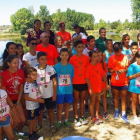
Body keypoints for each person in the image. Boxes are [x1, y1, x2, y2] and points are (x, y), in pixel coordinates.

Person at [1, 55, 28, 137]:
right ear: (8, 63)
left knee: (23, 120)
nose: (17, 65)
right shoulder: (3, 74)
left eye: (18, 63)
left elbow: (21, 87)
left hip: (17, 100)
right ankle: (7, 135)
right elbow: (4, 93)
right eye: (14, 63)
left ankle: (18, 131)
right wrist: (12, 106)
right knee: (15, 121)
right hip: (7, 101)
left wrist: (18, 101)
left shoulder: (20, 72)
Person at [35, 52, 57, 134]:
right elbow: (33, 83)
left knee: (50, 110)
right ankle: (39, 124)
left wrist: (54, 94)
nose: (44, 61)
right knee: (40, 110)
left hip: (49, 94)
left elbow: (55, 82)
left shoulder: (50, 69)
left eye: (45, 59)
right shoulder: (35, 70)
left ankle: (52, 124)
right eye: (42, 59)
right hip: (40, 95)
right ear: (37, 60)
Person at [108, 42, 130, 123]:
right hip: (115, 81)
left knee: (123, 98)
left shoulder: (125, 57)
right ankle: (116, 111)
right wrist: (115, 71)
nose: (117, 53)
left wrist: (123, 70)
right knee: (116, 97)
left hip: (124, 81)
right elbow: (109, 69)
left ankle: (124, 114)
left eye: (118, 51)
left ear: (121, 49)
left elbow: (127, 68)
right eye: (115, 51)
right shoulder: (111, 58)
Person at [85, 50, 108, 124]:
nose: (96, 58)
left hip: (99, 87)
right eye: (94, 56)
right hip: (93, 88)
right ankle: (92, 117)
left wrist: (107, 84)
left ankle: (97, 114)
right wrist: (90, 88)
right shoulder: (88, 67)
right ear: (90, 57)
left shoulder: (99, 65)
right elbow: (87, 78)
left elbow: (103, 75)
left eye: (97, 56)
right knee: (92, 102)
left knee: (98, 100)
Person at [69, 40, 89, 127]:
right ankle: (76, 117)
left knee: (82, 100)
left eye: (82, 47)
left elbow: (88, 70)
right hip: (75, 82)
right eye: (79, 47)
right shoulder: (72, 58)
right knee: (76, 100)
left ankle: (82, 116)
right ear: (75, 48)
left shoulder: (86, 58)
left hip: (84, 82)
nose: (81, 49)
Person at [54, 48, 74, 129]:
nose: (64, 57)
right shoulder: (56, 66)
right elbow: (54, 79)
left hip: (68, 90)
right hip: (60, 90)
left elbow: (71, 77)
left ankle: (66, 119)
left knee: (67, 105)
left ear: (68, 56)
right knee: (59, 106)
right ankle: (59, 121)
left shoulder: (71, 67)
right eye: (62, 55)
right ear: (60, 56)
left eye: (66, 55)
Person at [24, 67, 44, 140]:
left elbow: (37, 92)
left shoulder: (35, 82)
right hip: (31, 106)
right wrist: (37, 100)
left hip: (36, 105)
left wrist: (40, 98)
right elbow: (26, 97)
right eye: (33, 75)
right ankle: (30, 134)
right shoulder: (27, 85)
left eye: (36, 75)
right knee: (32, 120)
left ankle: (34, 132)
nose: (35, 76)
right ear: (28, 75)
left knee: (34, 119)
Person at [127, 51, 140, 125]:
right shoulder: (132, 66)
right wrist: (136, 75)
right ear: (137, 58)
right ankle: (134, 116)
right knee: (134, 101)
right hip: (134, 86)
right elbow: (129, 77)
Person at [0, 75, 14, 140]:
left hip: (5, 117)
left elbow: (6, 104)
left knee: (11, 137)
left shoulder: (3, 92)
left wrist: (10, 116)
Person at [98, 50, 109, 119]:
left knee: (104, 97)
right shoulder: (93, 64)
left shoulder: (104, 64)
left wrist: (107, 83)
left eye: (101, 55)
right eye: (98, 55)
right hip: (96, 84)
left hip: (103, 83)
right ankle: (97, 112)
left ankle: (105, 111)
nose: (99, 57)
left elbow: (105, 75)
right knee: (97, 98)